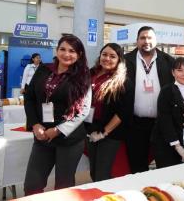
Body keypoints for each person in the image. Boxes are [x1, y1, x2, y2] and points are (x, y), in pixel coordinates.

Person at [23, 35, 91, 195]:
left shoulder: (83, 75)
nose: (66, 54)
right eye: (63, 49)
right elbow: (29, 97)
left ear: (79, 54)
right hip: (42, 136)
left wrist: (58, 130)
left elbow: (83, 110)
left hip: (69, 139)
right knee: (32, 184)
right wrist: (35, 124)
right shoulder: (44, 69)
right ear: (57, 50)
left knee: (63, 187)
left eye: (72, 51)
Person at [125, 26, 175, 173]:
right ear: (137, 41)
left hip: (161, 123)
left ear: (156, 41)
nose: (146, 41)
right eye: (142, 38)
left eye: (150, 38)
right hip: (135, 124)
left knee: (164, 163)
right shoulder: (125, 60)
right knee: (137, 165)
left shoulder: (168, 61)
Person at [85, 43, 134, 182]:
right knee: (93, 171)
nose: (107, 58)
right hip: (90, 128)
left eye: (112, 56)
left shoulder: (123, 82)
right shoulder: (91, 73)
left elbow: (123, 113)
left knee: (102, 174)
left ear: (119, 60)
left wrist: (103, 133)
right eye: (104, 54)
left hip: (110, 133)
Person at [151, 58, 184, 168]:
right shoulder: (166, 91)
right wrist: (178, 148)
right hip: (166, 145)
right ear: (173, 72)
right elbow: (165, 121)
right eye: (179, 70)